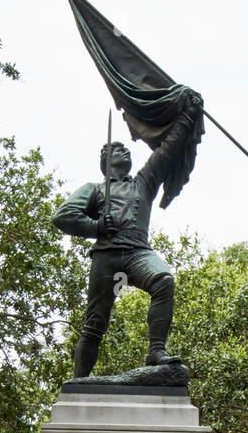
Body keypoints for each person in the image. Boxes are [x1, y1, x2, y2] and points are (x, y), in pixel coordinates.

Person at [52, 88, 204, 378]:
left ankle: (156, 350)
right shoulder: (94, 189)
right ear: (105, 160)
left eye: (126, 149)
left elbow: (169, 148)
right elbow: (62, 216)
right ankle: (79, 382)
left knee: (164, 281)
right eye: (117, 149)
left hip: (137, 251)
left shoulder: (143, 182)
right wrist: (95, 227)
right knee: (95, 323)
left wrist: (189, 114)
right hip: (106, 256)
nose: (125, 151)